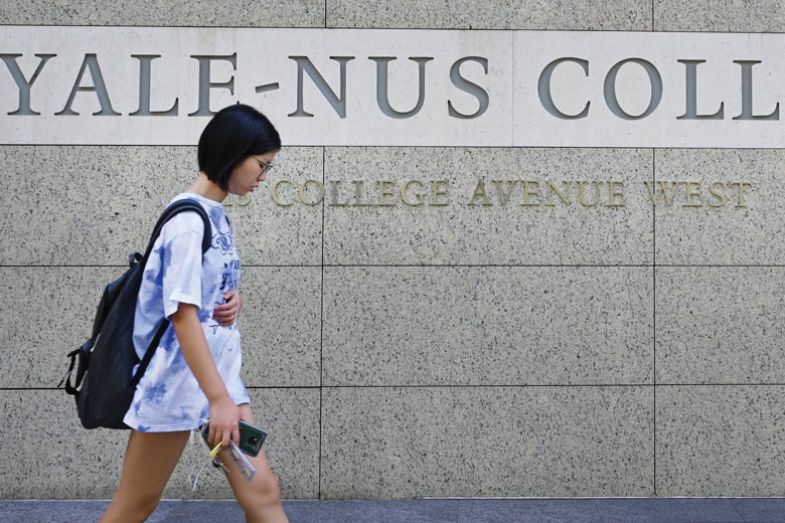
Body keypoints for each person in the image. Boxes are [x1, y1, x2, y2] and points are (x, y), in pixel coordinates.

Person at [100, 104, 288, 523]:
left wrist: (229, 301)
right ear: (232, 154)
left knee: (264, 495)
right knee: (136, 504)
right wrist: (218, 399)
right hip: (178, 384)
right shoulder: (187, 222)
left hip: (218, 383)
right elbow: (181, 315)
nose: (263, 177)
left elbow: (196, 302)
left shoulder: (214, 216)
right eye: (261, 165)